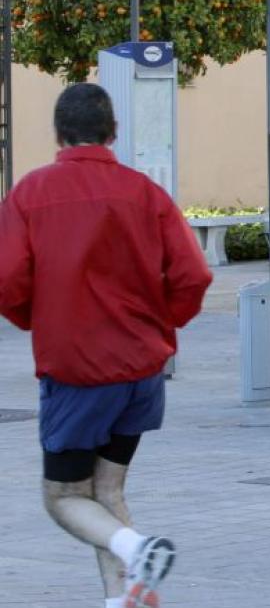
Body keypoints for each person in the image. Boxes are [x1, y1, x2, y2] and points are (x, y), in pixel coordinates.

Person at [0, 83, 213, 608]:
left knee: (62, 498)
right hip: (141, 374)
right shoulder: (145, 193)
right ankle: (122, 597)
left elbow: (7, 282)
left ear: (57, 134)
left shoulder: (29, 194)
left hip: (78, 373)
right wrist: (162, 326)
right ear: (113, 132)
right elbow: (193, 275)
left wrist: (40, 321)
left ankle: (138, 547)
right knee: (108, 490)